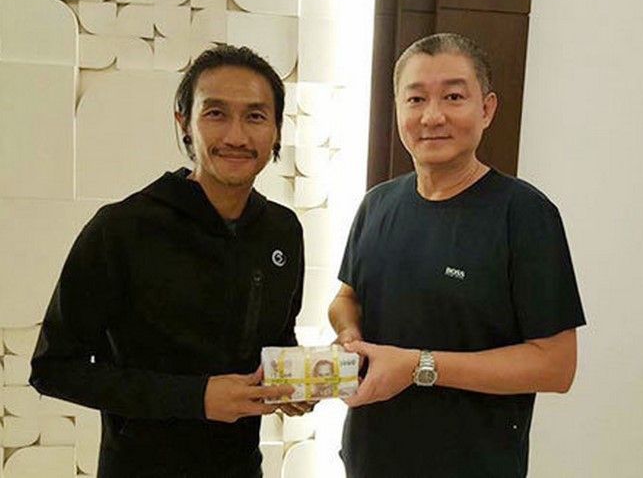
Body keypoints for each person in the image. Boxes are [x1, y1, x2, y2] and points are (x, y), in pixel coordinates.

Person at [30, 45, 312, 478]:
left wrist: (293, 379)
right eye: (215, 114)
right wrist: (195, 398)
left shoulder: (283, 230)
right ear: (184, 123)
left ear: (277, 130)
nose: (236, 136)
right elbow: (53, 369)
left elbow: (277, 336)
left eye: (256, 116)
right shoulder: (122, 228)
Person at [329, 33, 587, 477]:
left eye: (453, 96)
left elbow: (555, 366)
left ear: (486, 109)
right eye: (415, 99)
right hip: (370, 460)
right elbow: (345, 298)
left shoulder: (524, 214)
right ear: (398, 109)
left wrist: (418, 366)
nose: (432, 116)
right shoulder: (377, 204)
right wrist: (348, 333)